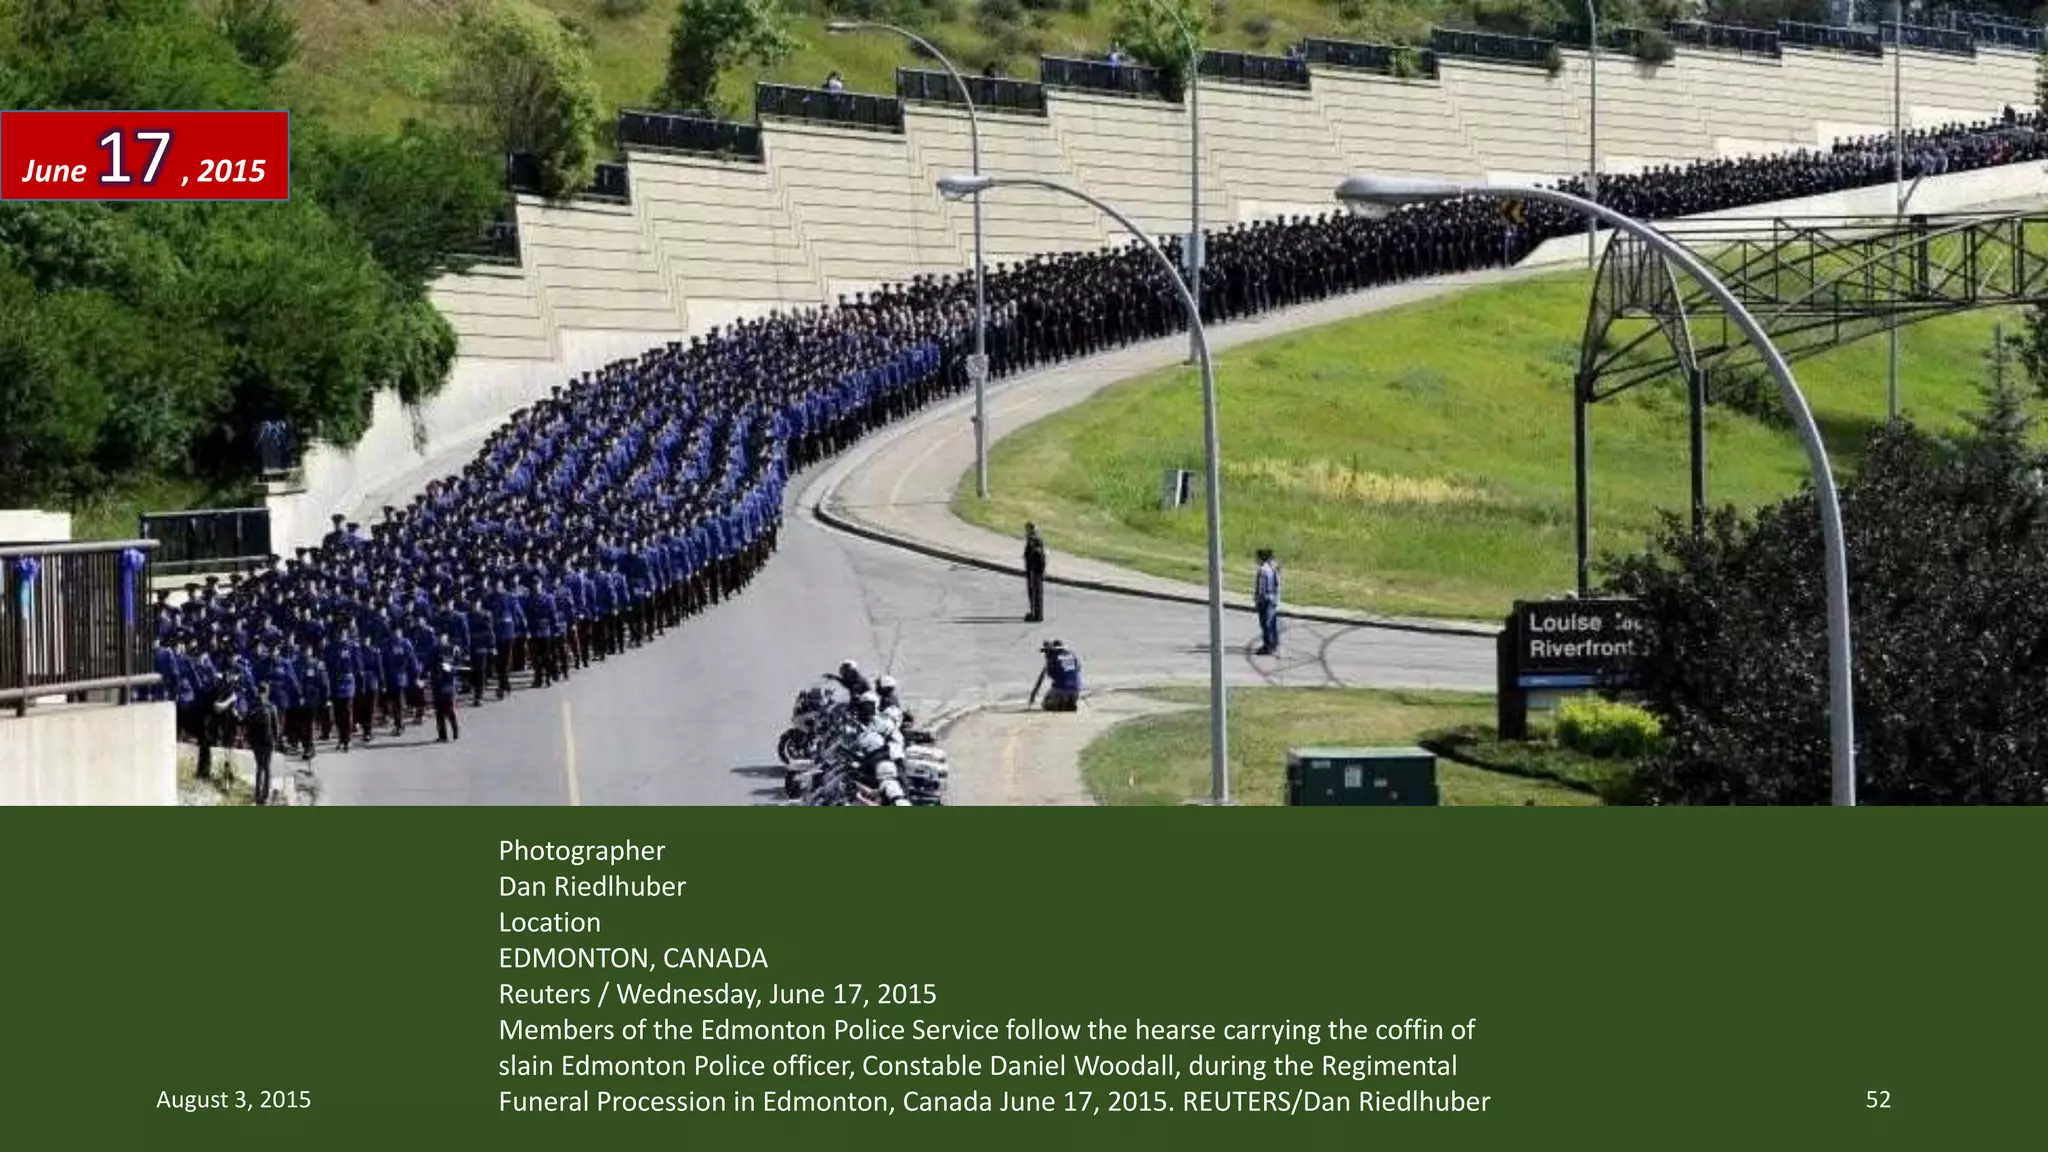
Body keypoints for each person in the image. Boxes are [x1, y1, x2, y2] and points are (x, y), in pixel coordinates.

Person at [245, 681, 282, 806]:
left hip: (259, 741)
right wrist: (276, 740)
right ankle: (263, 795)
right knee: (265, 767)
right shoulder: (271, 707)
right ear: (267, 692)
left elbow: (248, 724)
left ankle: (259, 795)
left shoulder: (254, 706)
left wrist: (248, 739)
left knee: (261, 768)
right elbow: (276, 725)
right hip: (266, 740)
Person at [1028, 639, 1082, 712]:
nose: (1045, 655)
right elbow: (1077, 670)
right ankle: (1069, 703)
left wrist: (1032, 696)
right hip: (1076, 690)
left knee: (1045, 704)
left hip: (1061, 689)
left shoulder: (1053, 659)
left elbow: (1042, 679)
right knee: (1064, 691)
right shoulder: (1072, 656)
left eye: (1047, 652)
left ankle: (1059, 704)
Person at [1254, 548, 1281, 656]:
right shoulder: (1273, 569)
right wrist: (1277, 598)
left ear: (1261, 558)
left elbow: (1260, 588)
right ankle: (1274, 644)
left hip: (1265, 600)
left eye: (1257, 557)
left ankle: (1267, 647)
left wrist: (1257, 601)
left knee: (1265, 623)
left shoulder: (1262, 570)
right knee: (1272, 623)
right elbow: (1277, 584)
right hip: (1273, 598)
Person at [1022, 522, 1047, 623]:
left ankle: (1036, 615)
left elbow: (1038, 557)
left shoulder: (1034, 540)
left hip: (1035, 571)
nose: (1026, 532)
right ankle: (1034, 613)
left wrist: (1037, 571)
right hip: (1033, 571)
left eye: (1027, 529)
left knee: (1035, 594)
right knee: (1034, 594)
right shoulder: (1033, 540)